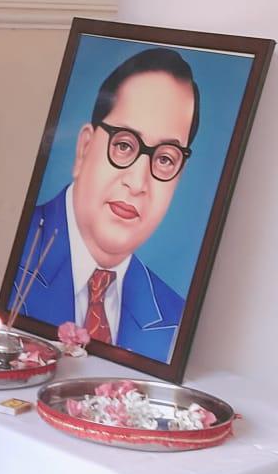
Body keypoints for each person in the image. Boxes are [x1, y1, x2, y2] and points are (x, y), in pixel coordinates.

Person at [13, 47, 199, 362]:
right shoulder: (11, 255)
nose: (138, 183)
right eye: (124, 145)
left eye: (165, 159)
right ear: (84, 148)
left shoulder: (175, 319)